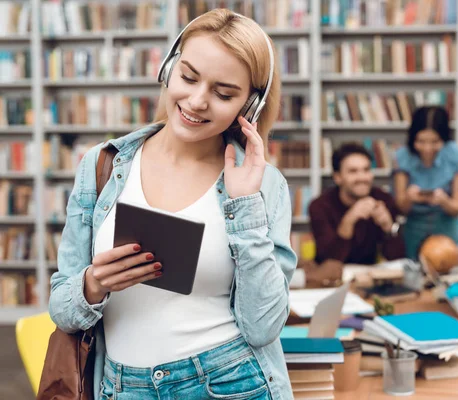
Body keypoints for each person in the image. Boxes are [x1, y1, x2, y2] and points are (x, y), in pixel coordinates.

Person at [48, 10, 297, 400]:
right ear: (168, 68)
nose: (197, 102)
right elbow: (62, 309)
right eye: (189, 77)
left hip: (230, 383)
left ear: (249, 106)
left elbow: (263, 327)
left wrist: (245, 205)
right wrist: (93, 285)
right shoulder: (103, 164)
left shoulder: (263, 183)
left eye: (224, 93)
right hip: (121, 387)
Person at [394, 106, 458, 259]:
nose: (427, 148)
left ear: (444, 139)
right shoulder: (401, 157)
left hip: (447, 227)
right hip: (414, 228)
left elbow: (457, 207)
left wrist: (444, 200)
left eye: (434, 142)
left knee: (451, 273)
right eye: (421, 141)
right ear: (412, 138)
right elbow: (401, 208)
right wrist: (409, 198)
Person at [309, 143, 405, 267]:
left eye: (366, 170)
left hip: (368, 275)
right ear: (338, 177)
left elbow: (397, 259)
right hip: (330, 279)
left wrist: (388, 227)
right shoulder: (319, 206)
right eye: (353, 171)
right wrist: (348, 221)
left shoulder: (383, 199)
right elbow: (329, 261)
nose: (362, 177)